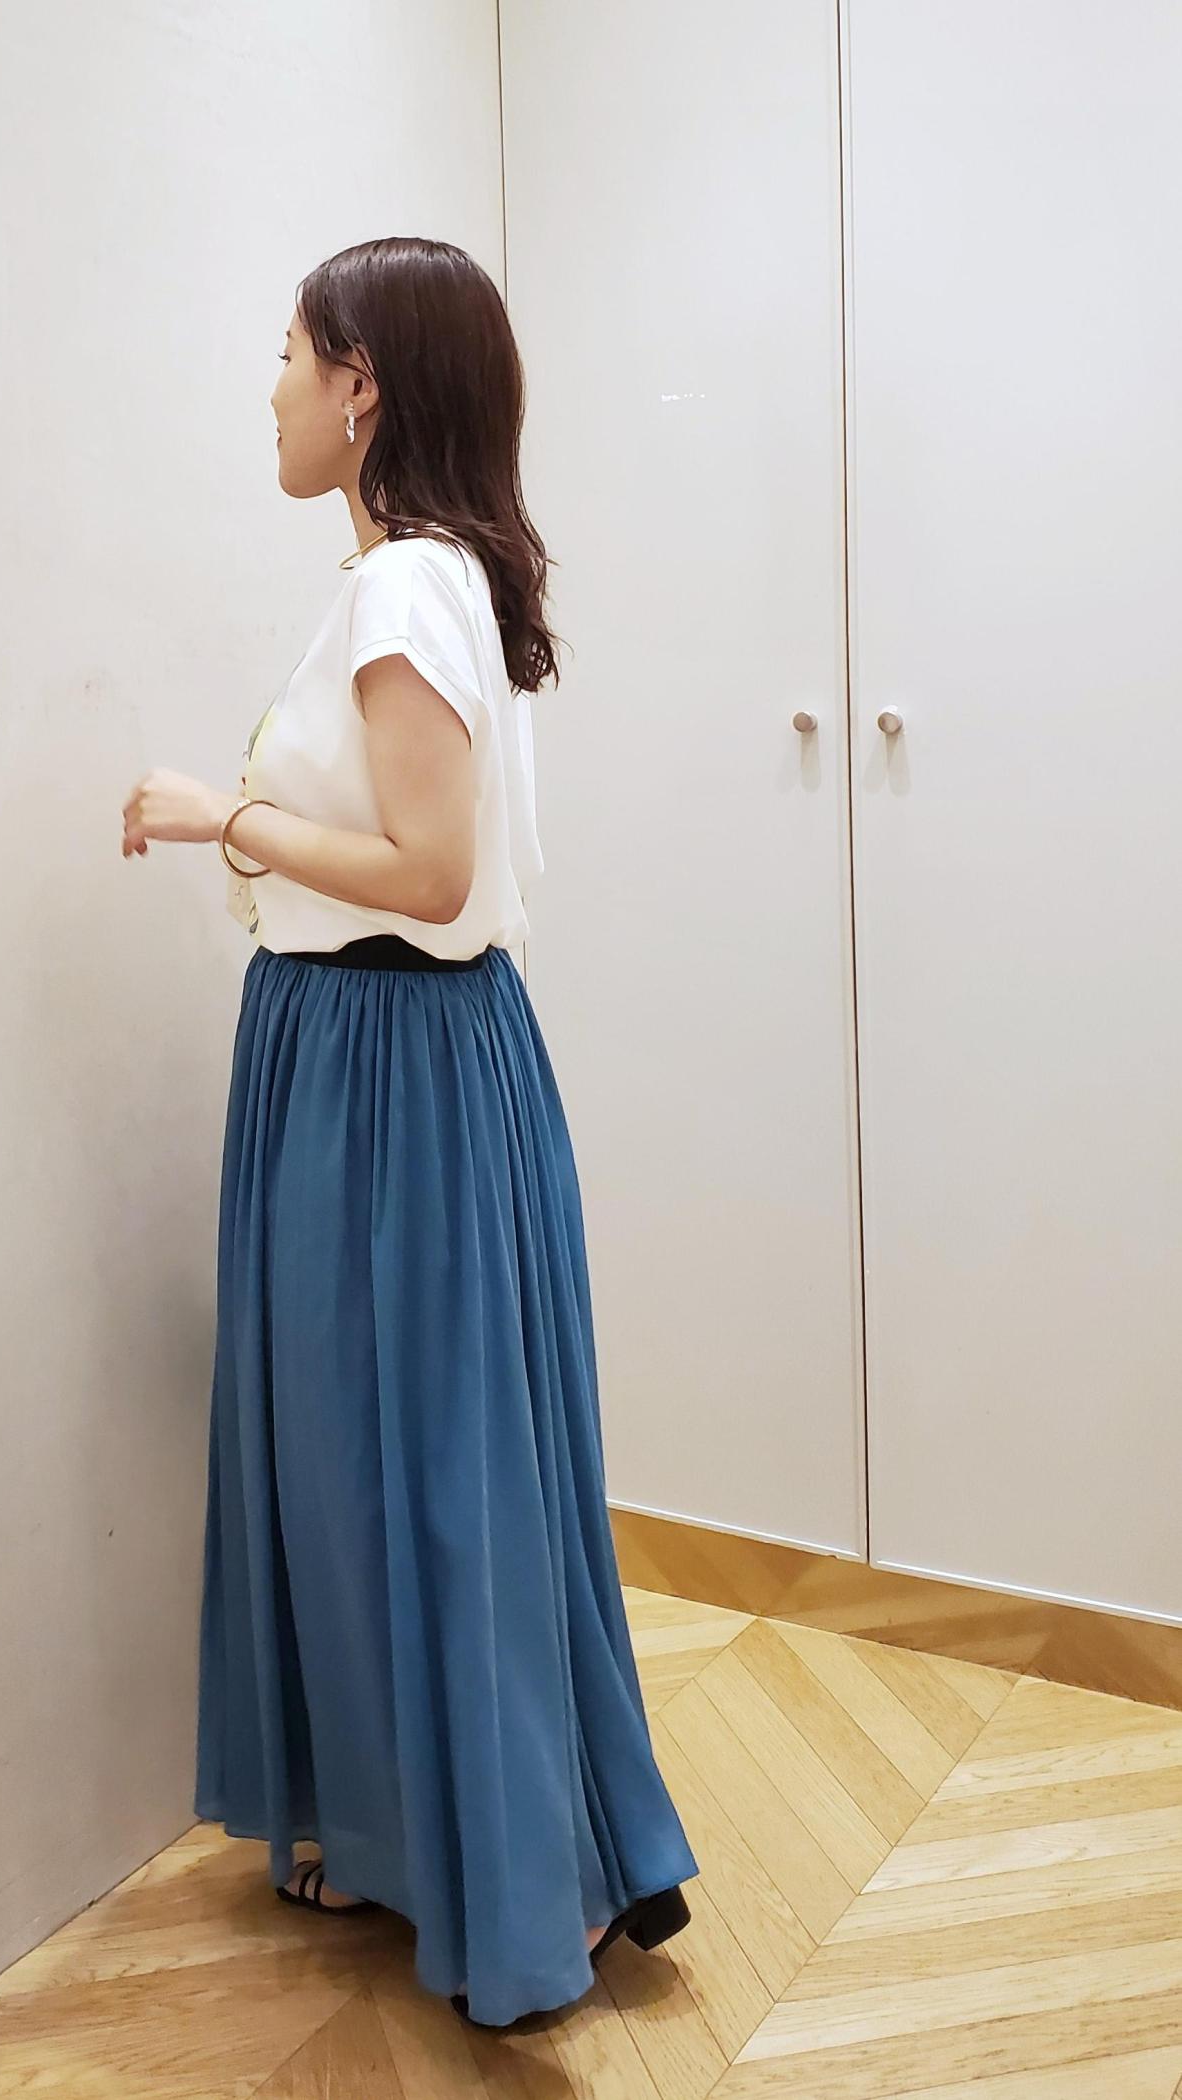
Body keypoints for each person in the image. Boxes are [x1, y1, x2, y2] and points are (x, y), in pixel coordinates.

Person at [120, 235, 700, 2030]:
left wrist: (218, 818)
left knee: (400, 1472)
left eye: (293, 356)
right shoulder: (443, 579)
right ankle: (461, 1847)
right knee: (426, 1469)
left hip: (386, 1064)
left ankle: (493, 1872)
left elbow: (430, 874)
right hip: (412, 1060)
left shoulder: (399, 591)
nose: (273, 392)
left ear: (361, 386)